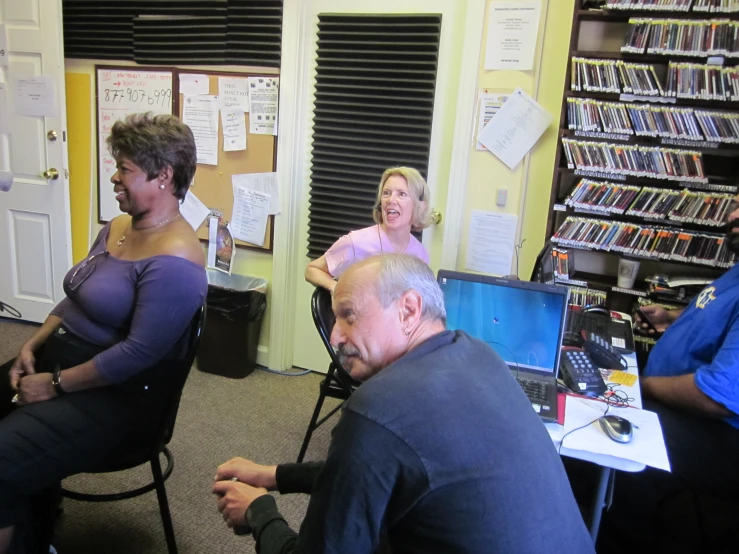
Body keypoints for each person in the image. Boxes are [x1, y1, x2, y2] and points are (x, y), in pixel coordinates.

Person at [214, 254, 594, 553]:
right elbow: (373, 474)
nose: (334, 335)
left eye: (347, 315)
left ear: (409, 310)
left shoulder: (375, 409)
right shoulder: (479, 354)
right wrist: (275, 475)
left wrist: (259, 511)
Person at [0, 113, 207, 554]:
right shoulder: (117, 227)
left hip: (118, 399)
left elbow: (136, 355)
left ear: (163, 176)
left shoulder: (178, 260)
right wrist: (32, 344)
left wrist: (53, 385)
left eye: (125, 168)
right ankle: (32, 527)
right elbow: (77, 295)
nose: (114, 177)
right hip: (62, 363)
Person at [598, 197, 739, 551]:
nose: (733, 215)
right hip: (672, 395)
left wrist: (640, 387)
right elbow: (717, 318)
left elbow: (714, 396)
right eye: (735, 204)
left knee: (621, 440)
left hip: (719, 435)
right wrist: (671, 318)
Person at [304, 167, 431, 293]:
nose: (391, 200)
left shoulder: (420, 254)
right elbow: (312, 270)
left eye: (401, 194)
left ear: (420, 206)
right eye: (386, 193)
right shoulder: (356, 242)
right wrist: (335, 288)